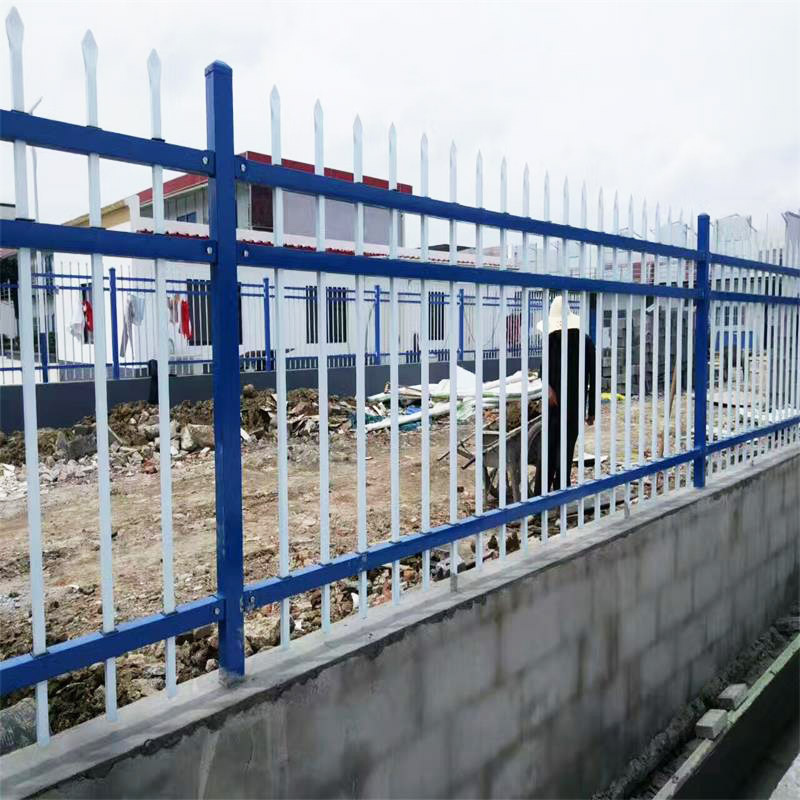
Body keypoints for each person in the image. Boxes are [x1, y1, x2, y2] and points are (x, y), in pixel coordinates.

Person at [532, 296, 596, 496]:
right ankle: (540, 498)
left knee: (564, 453)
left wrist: (591, 410)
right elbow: (542, 371)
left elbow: (594, 376)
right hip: (552, 407)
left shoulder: (584, 341)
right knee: (547, 453)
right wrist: (547, 388)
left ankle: (561, 496)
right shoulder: (551, 339)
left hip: (574, 406)